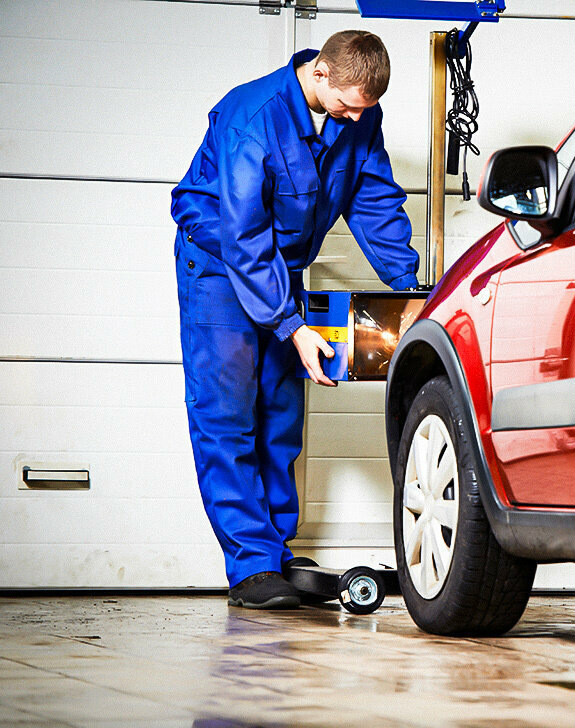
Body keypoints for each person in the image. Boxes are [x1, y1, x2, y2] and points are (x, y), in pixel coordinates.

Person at [171, 31, 419, 609]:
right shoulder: (251, 116)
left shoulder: (359, 113)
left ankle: (276, 550)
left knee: (280, 415)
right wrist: (290, 323)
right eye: (349, 105)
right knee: (227, 415)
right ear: (321, 73)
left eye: (366, 109)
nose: (356, 118)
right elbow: (243, 234)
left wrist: (411, 288)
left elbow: (374, 200)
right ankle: (251, 565)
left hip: (279, 268)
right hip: (219, 265)